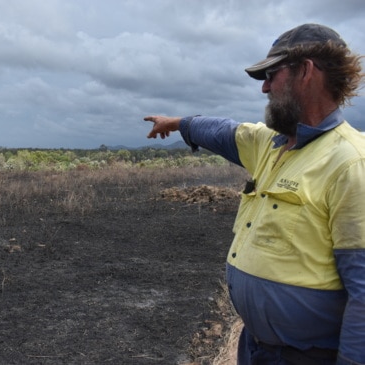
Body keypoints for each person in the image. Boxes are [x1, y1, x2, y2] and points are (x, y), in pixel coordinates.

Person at [144, 24, 365, 365]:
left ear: (305, 71)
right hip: (256, 348)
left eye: (271, 74)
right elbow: (221, 130)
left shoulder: (350, 162)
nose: (264, 87)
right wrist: (175, 123)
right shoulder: (269, 143)